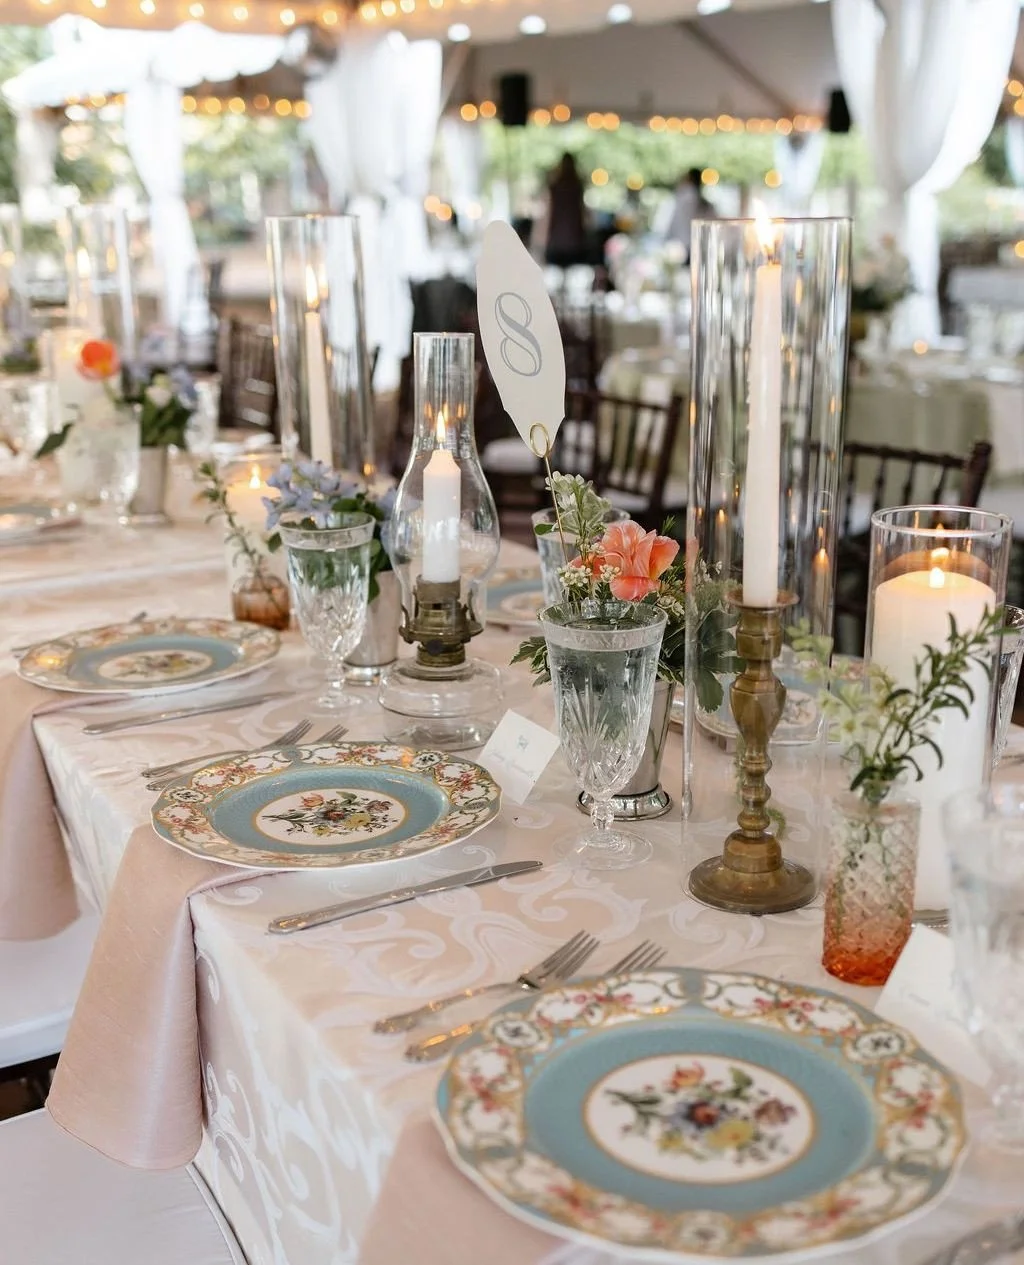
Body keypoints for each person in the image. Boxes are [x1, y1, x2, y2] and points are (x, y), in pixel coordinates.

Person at [544, 152, 588, 268]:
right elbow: (583, 213)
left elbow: (547, 215)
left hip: (557, 238)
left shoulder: (555, 186)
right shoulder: (577, 186)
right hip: (573, 238)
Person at [664, 167, 716, 261]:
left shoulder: (684, 197)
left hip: (682, 246)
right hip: (695, 246)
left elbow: (673, 222)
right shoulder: (702, 202)